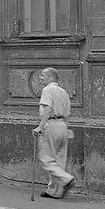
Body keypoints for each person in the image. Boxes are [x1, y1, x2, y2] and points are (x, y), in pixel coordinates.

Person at [33, 67, 76, 199]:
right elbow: (68, 112)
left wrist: (40, 127)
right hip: (62, 125)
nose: (40, 77)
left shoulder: (47, 90)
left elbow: (47, 109)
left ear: (51, 77)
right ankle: (54, 191)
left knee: (46, 158)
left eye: (43, 75)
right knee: (59, 160)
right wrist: (66, 128)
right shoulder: (63, 92)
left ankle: (66, 179)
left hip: (50, 125)